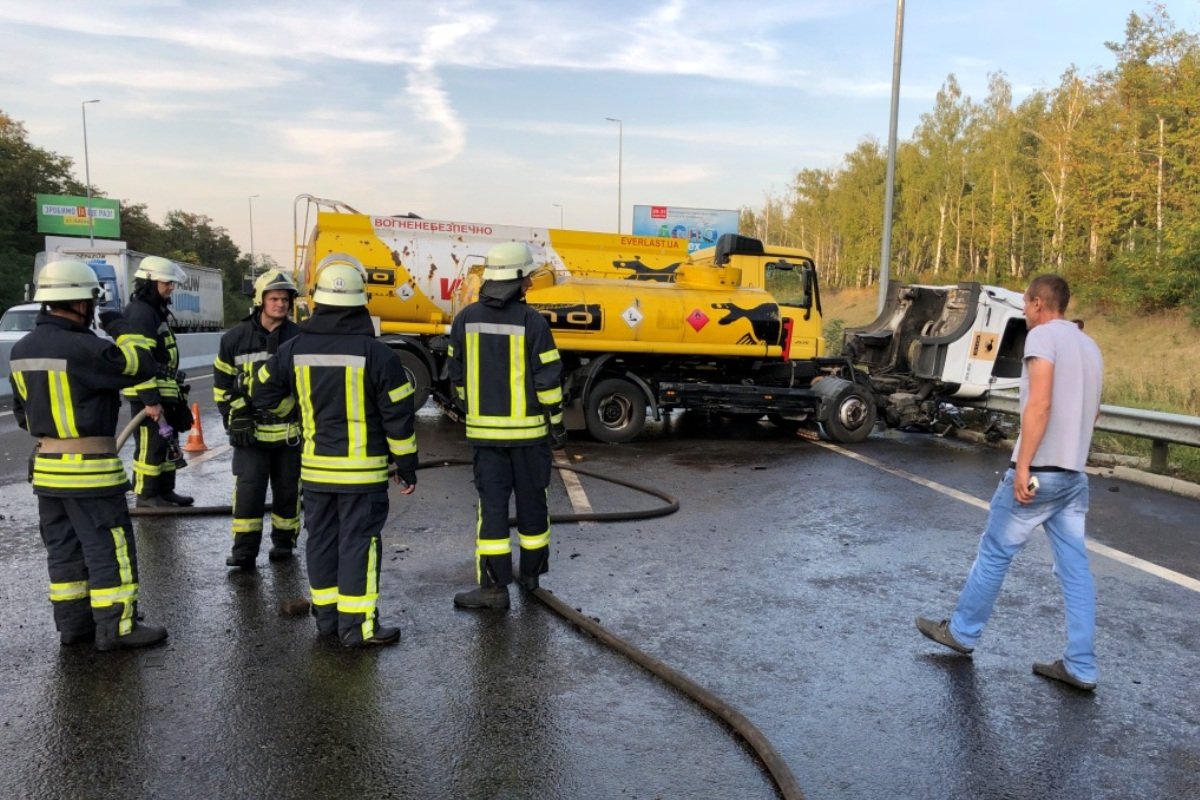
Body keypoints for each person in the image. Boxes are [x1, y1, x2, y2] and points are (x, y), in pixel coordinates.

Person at [917, 274, 1104, 691]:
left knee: (995, 552)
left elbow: (1040, 404)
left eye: (1025, 304)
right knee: (1075, 570)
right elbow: (1093, 413)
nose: (1024, 311)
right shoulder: (1089, 346)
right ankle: (1081, 666)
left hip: (1038, 474)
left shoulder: (1042, 338)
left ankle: (962, 632)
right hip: (1073, 477)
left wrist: (1024, 467)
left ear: (1038, 303)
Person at [253, 259, 418, 647]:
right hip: (362, 475)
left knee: (321, 541)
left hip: (315, 472)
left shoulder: (293, 349)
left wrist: (296, 411)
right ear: (361, 302)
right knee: (359, 544)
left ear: (317, 301)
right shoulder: (379, 355)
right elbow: (398, 419)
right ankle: (358, 627)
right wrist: (406, 465)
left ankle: (327, 620)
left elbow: (262, 393)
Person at [9, 259, 169, 650]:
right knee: (108, 548)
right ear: (83, 303)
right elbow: (142, 365)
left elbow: (22, 415)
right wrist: (121, 328)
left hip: (48, 472)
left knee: (64, 550)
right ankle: (118, 627)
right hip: (91, 474)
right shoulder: (87, 348)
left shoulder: (21, 350)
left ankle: (74, 625)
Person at [447, 242, 565, 611]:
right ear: (514, 279)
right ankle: (531, 576)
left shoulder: (465, 319)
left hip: (486, 439)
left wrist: (473, 409)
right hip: (530, 439)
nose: (530, 283)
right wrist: (556, 425)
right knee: (533, 506)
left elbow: (456, 377)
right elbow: (548, 381)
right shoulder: (533, 323)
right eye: (527, 277)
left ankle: (494, 589)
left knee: (493, 510)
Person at [213, 269, 303, 570]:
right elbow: (222, 384)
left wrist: (293, 408)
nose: (280, 304)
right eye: (274, 298)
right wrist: (234, 416)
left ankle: (284, 543)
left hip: (288, 434)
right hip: (250, 434)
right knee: (248, 494)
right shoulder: (234, 339)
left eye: (285, 299)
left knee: (288, 492)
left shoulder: (299, 338)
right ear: (261, 301)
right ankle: (244, 551)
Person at [123, 255, 193, 508]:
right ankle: (146, 495)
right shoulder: (140, 313)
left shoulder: (153, 310)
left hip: (163, 391)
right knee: (150, 446)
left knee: (166, 442)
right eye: (167, 283)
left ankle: (165, 490)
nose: (171, 287)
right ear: (150, 282)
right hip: (148, 395)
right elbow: (140, 362)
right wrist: (150, 400)